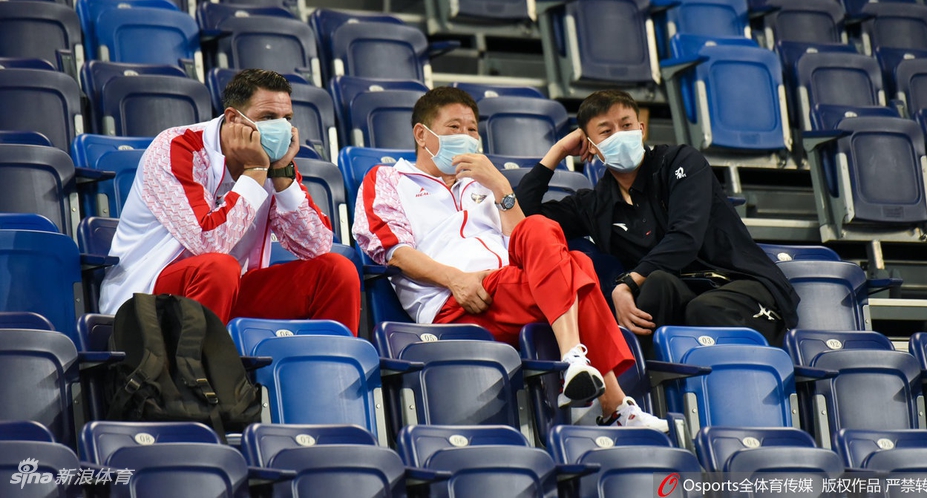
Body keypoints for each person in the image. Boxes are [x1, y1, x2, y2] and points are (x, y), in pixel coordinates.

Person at [352, 87, 667, 430]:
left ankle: (576, 360)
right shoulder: (387, 179)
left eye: (472, 129)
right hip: (456, 298)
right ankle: (609, 398)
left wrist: (501, 187)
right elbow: (393, 252)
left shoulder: (481, 184)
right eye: (454, 128)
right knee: (579, 269)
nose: (466, 136)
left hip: (514, 285)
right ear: (421, 134)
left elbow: (524, 241)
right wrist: (455, 279)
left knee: (547, 233)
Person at [516, 90, 799, 354]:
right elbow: (523, 219)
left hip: (738, 281)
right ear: (592, 147)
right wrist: (558, 152)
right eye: (606, 132)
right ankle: (648, 387)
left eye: (626, 125)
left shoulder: (680, 162)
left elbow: (685, 238)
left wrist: (626, 284)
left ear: (641, 128)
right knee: (655, 286)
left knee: (701, 310)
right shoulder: (595, 205)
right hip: (683, 292)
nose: (620, 135)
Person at [98, 68, 361, 335]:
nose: (281, 128)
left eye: (287, 118)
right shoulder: (177, 148)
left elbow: (316, 246)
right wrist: (256, 171)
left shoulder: (270, 157)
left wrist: (281, 173)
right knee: (220, 267)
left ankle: (332, 370)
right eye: (268, 117)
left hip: (227, 290)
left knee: (337, 271)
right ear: (234, 118)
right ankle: (195, 374)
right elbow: (210, 244)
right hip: (146, 297)